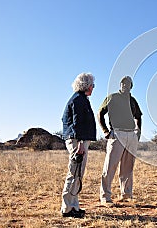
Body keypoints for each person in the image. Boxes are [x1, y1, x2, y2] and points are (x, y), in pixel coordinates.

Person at [98, 76, 142, 205]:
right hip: (117, 133)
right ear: (120, 84)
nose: (125, 85)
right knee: (110, 166)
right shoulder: (112, 98)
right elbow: (100, 113)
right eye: (123, 83)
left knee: (128, 167)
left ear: (131, 86)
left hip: (131, 135)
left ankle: (127, 194)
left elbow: (138, 116)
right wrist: (106, 131)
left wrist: (138, 131)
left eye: (128, 83)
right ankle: (105, 196)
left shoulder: (132, 100)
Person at [60, 73, 96, 218]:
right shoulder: (78, 100)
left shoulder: (81, 99)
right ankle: (67, 209)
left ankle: (73, 206)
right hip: (77, 140)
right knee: (74, 173)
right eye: (93, 85)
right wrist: (80, 142)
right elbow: (77, 122)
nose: (93, 88)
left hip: (78, 140)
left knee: (77, 175)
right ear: (87, 85)